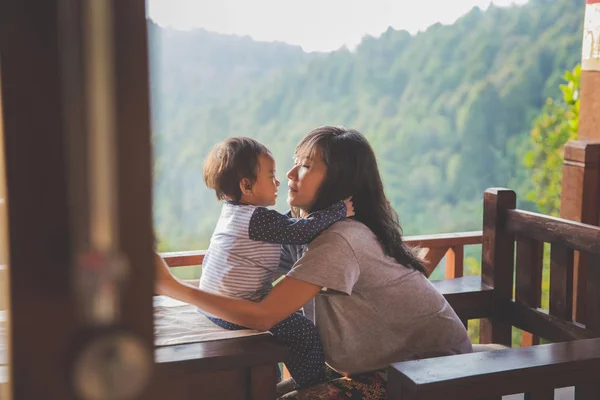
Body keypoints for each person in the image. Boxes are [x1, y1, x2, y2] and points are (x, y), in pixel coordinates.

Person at [155, 126, 472, 399]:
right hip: (382, 367)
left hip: (430, 374)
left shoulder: (339, 239)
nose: (290, 175)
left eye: (305, 166)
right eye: (293, 164)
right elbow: (243, 272)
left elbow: (264, 316)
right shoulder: (298, 230)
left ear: (339, 181)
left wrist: (172, 287)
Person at [199, 136, 353, 390]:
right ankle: (315, 385)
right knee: (303, 330)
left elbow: (285, 227)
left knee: (289, 322)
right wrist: (339, 211)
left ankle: (290, 380)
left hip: (216, 306)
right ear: (246, 186)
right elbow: (301, 231)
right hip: (237, 309)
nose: (278, 182)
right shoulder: (256, 219)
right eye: (271, 176)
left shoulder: (237, 213)